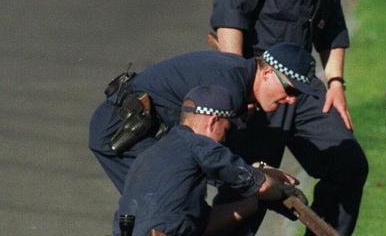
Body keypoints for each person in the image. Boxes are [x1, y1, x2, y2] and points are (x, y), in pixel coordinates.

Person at [208, 0, 368, 235]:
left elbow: (333, 29)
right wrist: (236, 85)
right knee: (246, 192)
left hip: (304, 88)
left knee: (348, 166)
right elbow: (230, 17)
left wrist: (336, 84)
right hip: (257, 85)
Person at [89, 42, 319, 194]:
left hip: (142, 131)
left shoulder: (239, 78)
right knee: (167, 205)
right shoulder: (228, 88)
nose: (292, 100)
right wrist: (257, 181)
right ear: (268, 72)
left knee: (184, 201)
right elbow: (201, 152)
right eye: (291, 90)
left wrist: (257, 172)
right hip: (122, 131)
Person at [114, 85, 298, 236]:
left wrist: (254, 203)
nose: (225, 140)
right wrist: (281, 191)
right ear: (213, 121)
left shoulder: (153, 155)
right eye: (226, 130)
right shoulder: (197, 145)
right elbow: (262, 185)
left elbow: (203, 225)